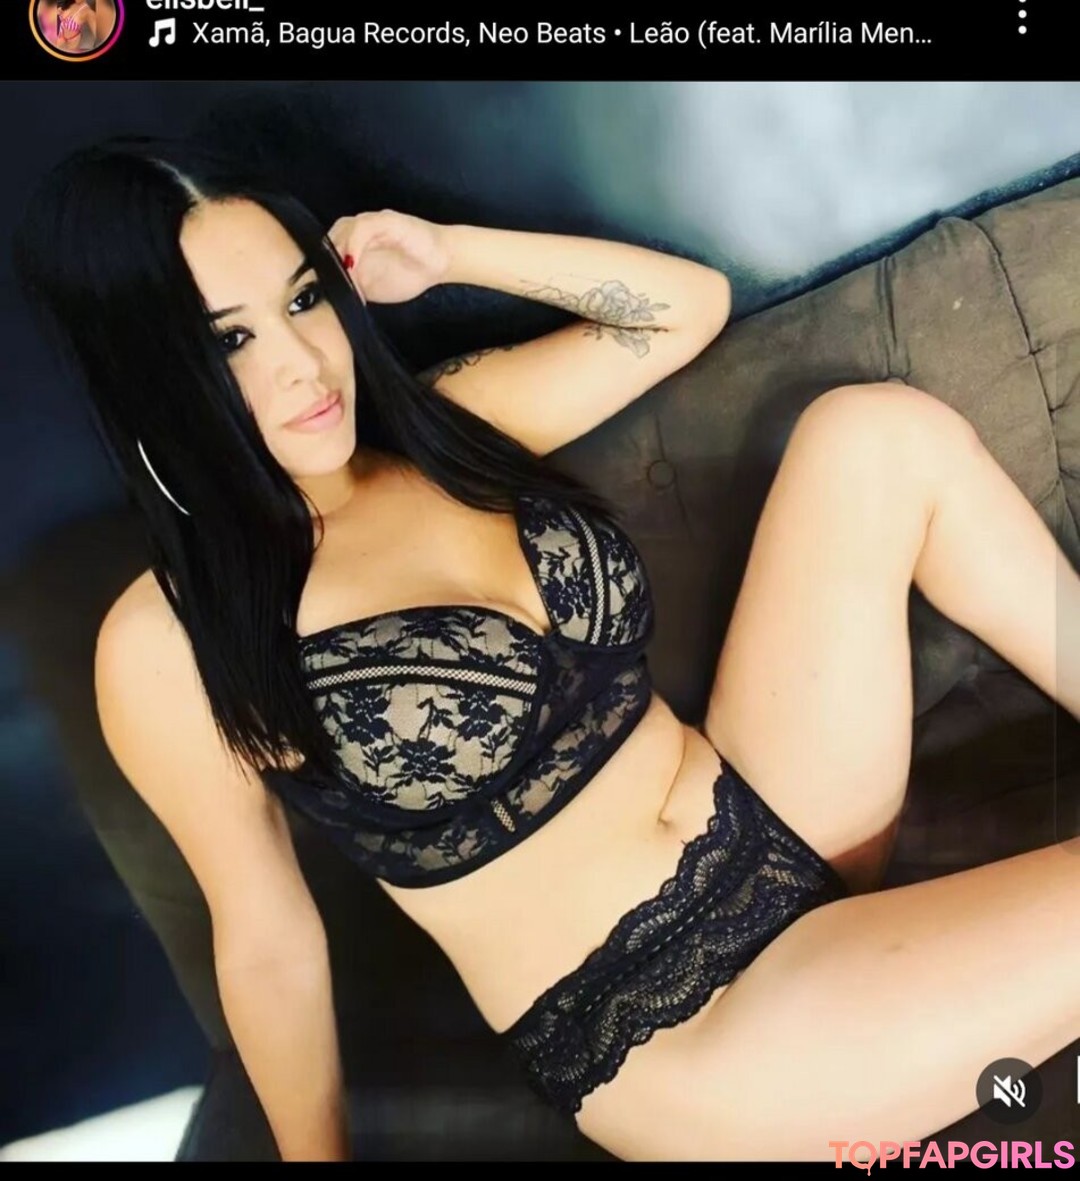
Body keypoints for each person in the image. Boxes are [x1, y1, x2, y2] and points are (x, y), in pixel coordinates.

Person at [12, 135, 1080, 1163]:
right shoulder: (167, 643)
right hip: (691, 1030)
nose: (303, 363)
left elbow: (682, 307)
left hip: (768, 821)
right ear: (151, 374)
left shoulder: (443, 430)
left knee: (875, 435)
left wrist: (448, 253)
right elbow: (266, 938)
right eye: (232, 341)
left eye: (302, 300)